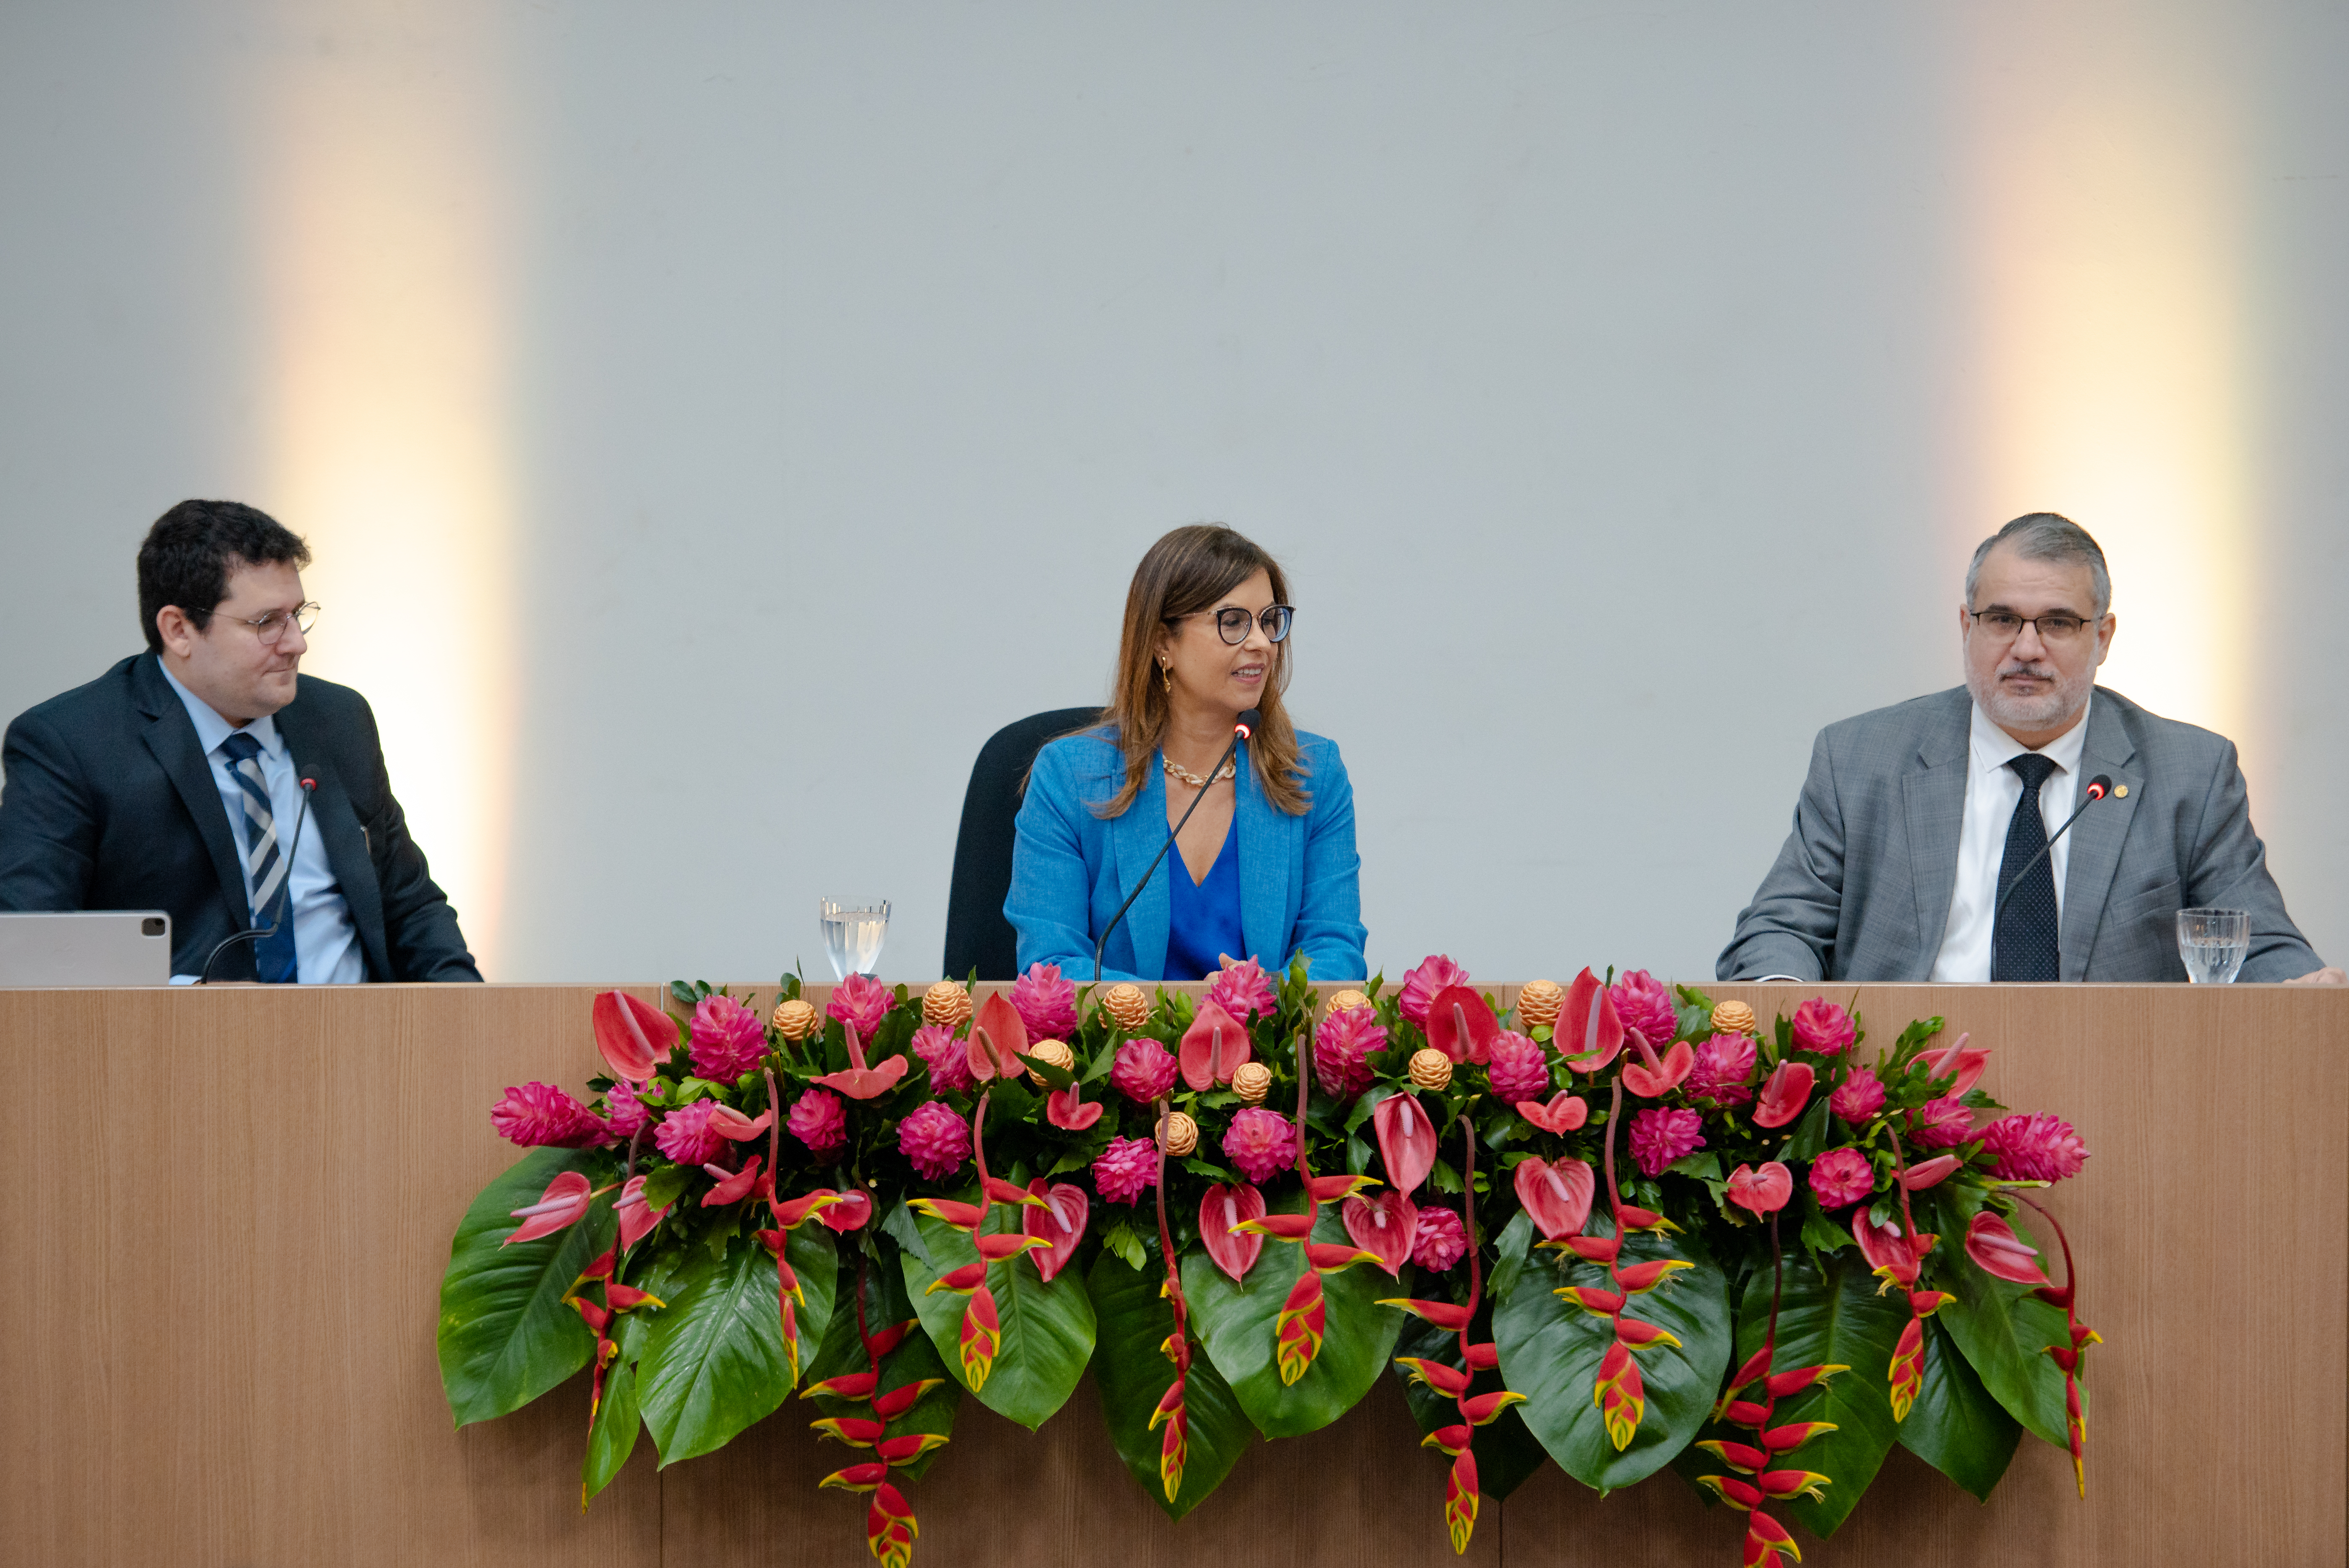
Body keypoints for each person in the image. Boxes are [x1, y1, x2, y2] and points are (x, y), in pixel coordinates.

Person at [1719, 512, 2340, 985]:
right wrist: (1789, 1012)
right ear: (1966, 628)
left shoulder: (2190, 774)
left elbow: (2253, 942)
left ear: (2102, 637)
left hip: (2114, 1094)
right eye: (2000, 619)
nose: (2024, 648)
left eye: (2056, 623)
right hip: (1901, 1105)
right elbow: (1778, 928)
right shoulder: (1860, 758)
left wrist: (2304, 993)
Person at [0, 500, 481, 983]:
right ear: (180, 629)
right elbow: (34, 945)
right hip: (177, 1047)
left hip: (357, 1041)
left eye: (298, 614)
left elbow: (410, 907)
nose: (296, 643)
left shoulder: (338, 720)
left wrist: (470, 1018)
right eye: (266, 622)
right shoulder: (71, 744)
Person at [1007, 524, 1367, 984]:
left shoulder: (1314, 773)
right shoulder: (1068, 779)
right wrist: (1190, 1010)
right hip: (1120, 1051)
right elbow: (1051, 963)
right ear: (1162, 642)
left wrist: (1256, 998)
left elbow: (1335, 953)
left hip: (1263, 1051)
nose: (1260, 642)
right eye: (1233, 621)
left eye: (1269, 620)